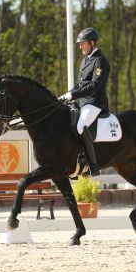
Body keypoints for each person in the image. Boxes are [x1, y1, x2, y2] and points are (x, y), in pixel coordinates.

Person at [59, 27, 110, 176]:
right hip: (81, 101)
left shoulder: (100, 61)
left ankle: (92, 166)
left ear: (92, 43)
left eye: (83, 43)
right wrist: (68, 95)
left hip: (94, 102)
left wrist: (73, 95)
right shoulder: (85, 61)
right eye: (80, 44)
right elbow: (79, 84)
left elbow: (94, 85)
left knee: (81, 125)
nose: (80, 46)